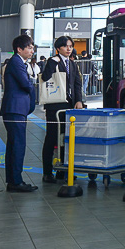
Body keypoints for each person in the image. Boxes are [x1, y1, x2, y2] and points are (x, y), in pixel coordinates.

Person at [39, 36, 85, 185]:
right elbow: (45, 77)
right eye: (65, 46)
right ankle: (47, 172)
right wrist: (52, 62)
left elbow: (77, 84)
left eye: (70, 46)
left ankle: (62, 171)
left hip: (69, 106)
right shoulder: (52, 62)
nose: (69, 49)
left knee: (66, 138)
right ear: (58, 48)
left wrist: (78, 100)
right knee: (51, 138)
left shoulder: (72, 64)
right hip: (54, 106)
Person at [1, 35, 38, 192]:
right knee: (18, 145)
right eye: (29, 48)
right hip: (15, 109)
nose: (32, 51)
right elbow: (25, 84)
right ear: (19, 49)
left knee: (14, 145)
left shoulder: (19, 62)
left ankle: (13, 180)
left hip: (16, 109)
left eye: (32, 48)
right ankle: (16, 182)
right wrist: (32, 88)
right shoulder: (16, 62)